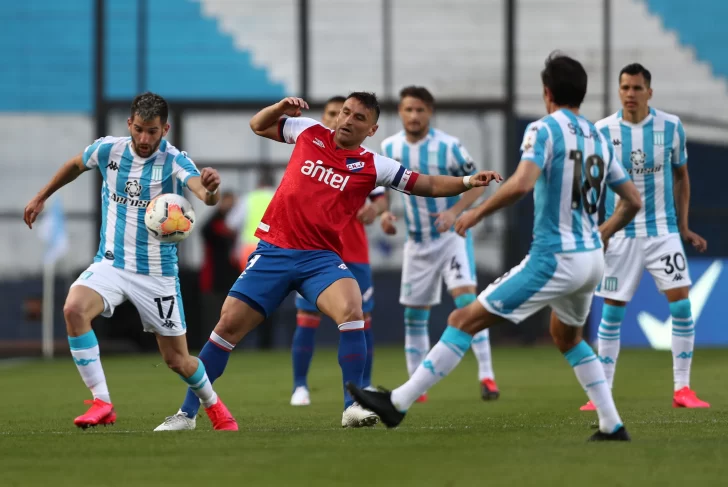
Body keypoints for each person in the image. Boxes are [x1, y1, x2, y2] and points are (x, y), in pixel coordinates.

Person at [156, 91, 502, 430]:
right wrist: (279, 107)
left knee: (352, 309)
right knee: (227, 325)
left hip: (320, 259)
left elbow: (424, 183)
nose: (347, 120)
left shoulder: (373, 164)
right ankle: (187, 414)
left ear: (372, 130)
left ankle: (352, 407)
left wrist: (468, 181)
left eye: (359, 118)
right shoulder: (307, 130)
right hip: (274, 250)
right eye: (345, 112)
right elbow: (258, 126)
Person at [347, 53, 643, 442]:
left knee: (461, 320)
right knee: (567, 338)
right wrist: (602, 232)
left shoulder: (544, 129)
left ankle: (396, 404)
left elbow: (520, 184)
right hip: (591, 259)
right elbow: (633, 200)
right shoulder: (598, 136)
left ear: (547, 92)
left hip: (554, 258)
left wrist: (475, 214)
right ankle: (612, 424)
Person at [23, 92, 237, 431]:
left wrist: (210, 189)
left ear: (164, 129)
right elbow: (76, 165)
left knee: (177, 360)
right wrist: (41, 197)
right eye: (138, 129)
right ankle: (102, 402)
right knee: (73, 310)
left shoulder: (175, 160)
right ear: (129, 125)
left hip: (157, 274)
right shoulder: (109, 150)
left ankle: (216, 409)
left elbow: (202, 192)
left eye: (152, 131)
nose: (144, 139)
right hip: (111, 263)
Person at [580, 63, 709, 411]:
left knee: (681, 304)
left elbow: (682, 177)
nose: (630, 94)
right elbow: (592, 186)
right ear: (618, 91)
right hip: (619, 235)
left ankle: (682, 389)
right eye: (625, 87)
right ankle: (601, 393)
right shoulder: (602, 131)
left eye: (637, 88)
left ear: (649, 92)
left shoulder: (671, 127)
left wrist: (682, 227)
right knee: (612, 310)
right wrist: (596, 229)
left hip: (662, 231)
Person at [380, 86, 499, 402]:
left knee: (468, 304)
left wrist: (455, 210)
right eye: (409, 110)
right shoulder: (389, 147)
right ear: (400, 113)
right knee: (414, 316)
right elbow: (382, 193)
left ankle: (487, 376)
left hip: (452, 239)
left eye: (420, 110)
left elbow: (478, 185)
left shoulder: (449, 147)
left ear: (429, 112)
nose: (414, 116)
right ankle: (417, 386)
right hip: (417, 244)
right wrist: (385, 216)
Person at [290, 96, 389, 406]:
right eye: (335, 113)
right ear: (326, 117)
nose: (341, 120)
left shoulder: (366, 160)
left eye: (348, 115)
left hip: (354, 251)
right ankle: (300, 386)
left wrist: (377, 211)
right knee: (307, 317)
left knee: (361, 320)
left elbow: (382, 197)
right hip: (313, 249)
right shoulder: (311, 149)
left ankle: (364, 386)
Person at [199, 191, 239, 340]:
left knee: (230, 313)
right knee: (213, 314)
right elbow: (205, 230)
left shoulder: (231, 223)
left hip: (229, 277)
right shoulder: (214, 223)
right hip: (214, 278)